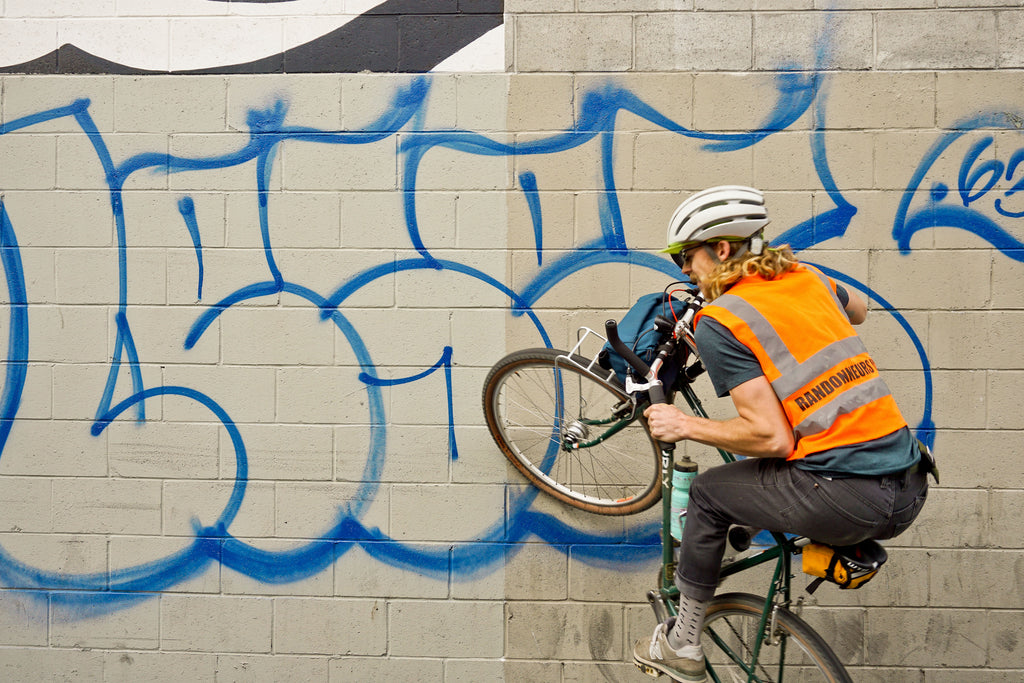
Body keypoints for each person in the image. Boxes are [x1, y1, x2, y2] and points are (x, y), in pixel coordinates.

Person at [631, 186, 931, 682]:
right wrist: (789, 275)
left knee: (706, 493)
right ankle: (834, 544)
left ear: (721, 250)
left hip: (851, 497)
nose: (684, 269)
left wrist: (685, 424)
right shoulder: (804, 277)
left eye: (688, 256)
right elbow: (858, 310)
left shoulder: (721, 321)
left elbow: (772, 439)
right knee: (769, 476)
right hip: (910, 485)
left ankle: (681, 642)